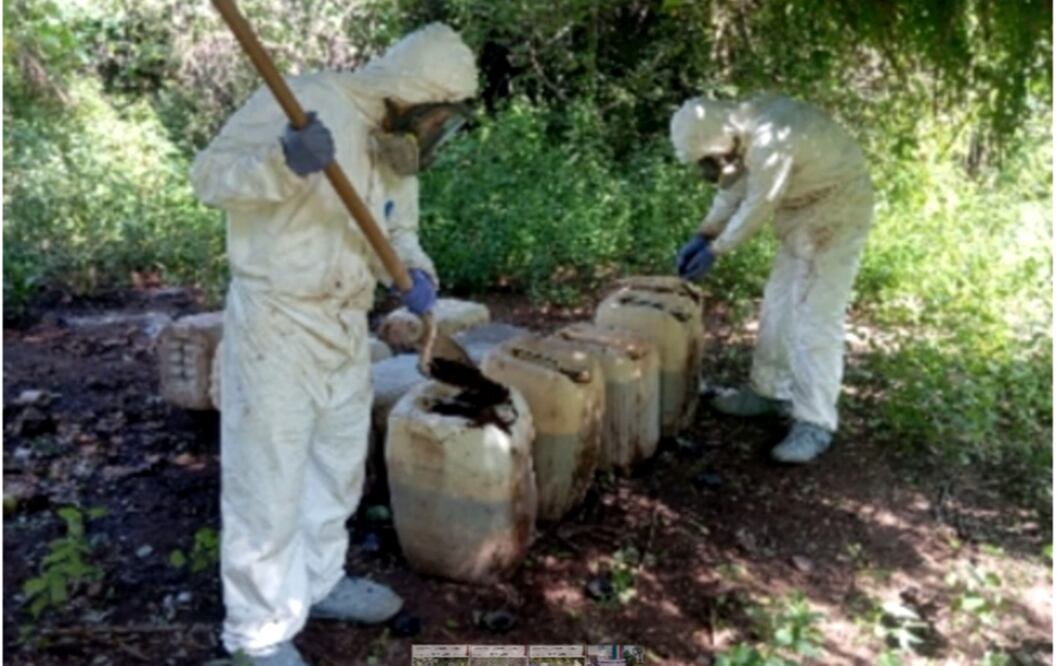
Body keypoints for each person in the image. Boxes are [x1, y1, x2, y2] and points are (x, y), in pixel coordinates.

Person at [190, 23, 478, 665]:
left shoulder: (391, 142)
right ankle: (257, 636)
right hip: (277, 320)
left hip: (345, 321)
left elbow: (397, 227)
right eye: (437, 117)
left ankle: (318, 582)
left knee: (337, 462)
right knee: (268, 478)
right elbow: (207, 177)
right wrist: (281, 165)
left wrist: (416, 273)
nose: (437, 132)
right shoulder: (302, 99)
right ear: (411, 95)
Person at [670, 94, 874, 464]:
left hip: (838, 215)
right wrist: (705, 233)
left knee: (815, 319)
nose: (711, 167)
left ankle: (816, 422)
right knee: (778, 306)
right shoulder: (740, 132)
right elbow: (733, 190)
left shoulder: (769, 139)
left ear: (720, 142)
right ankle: (767, 392)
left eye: (709, 160)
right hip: (801, 217)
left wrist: (716, 250)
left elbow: (759, 202)